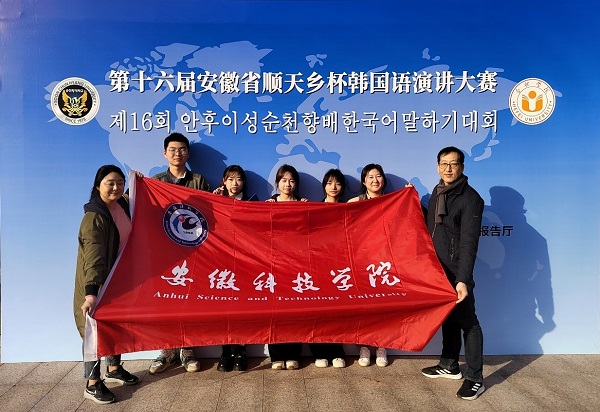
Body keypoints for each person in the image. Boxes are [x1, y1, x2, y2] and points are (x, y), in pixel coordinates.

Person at [420, 146, 485, 401]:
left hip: (457, 271)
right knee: (448, 317)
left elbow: (469, 242)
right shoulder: (438, 192)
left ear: (462, 167)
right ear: (438, 167)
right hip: (438, 270)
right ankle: (449, 364)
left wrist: (463, 280)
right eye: (444, 164)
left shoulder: (471, 199)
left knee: (469, 323)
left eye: (454, 164)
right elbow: (433, 226)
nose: (448, 168)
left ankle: (475, 378)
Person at [74, 165, 139, 404]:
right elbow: (94, 258)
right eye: (110, 183)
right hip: (96, 281)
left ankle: (114, 369)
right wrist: (91, 293)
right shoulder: (94, 218)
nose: (115, 188)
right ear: (98, 185)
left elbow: (134, 197)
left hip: (117, 279)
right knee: (93, 330)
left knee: (115, 325)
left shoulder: (120, 204)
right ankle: (92, 383)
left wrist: (137, 181)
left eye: (120, 183)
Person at [148, 132, 209, 375]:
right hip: (164, 253)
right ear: (165, 153)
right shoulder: (156, 181)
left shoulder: (199, 180)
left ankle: (188, 349)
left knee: (190, 300)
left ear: (188, 153)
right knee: (166, 300)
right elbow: (145, 211)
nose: (177, 154)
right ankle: (167, 350)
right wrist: (138, 184)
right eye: (173, 150)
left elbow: (209, 213)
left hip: (192, 251)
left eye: (182, 149)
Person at [347, 163, 389, 367]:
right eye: (370, 177)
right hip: (361, 261)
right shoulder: (354, 203)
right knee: (363, 306)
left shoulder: (392, 201)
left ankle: (381, 346)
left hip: (385, 261)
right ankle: (364, 346)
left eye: (378, 176)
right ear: (364, 182)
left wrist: (408, 195)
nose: (375, 180)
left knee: (382, 306)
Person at [266, 164, 306, 369]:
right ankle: (276, 356)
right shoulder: (269, 204)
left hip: (296, 264)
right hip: (273, 264)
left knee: (295, 311)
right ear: (277, 183)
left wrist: (307, 210)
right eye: (283, 180)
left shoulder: (302, 204)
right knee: (274, 311)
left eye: (291, 181)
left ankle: (293, 354)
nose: (287, 184)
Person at [213, 165, 252, 371]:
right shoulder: (216, 200)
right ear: (223, 181)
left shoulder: (252, 203)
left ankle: (241, 350)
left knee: (243, 309)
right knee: (223, 309)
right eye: (230, 179)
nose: (234, 183)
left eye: (238, 179)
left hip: (246, 262)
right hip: (222, 261)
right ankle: (225, 351)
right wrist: (214, 200)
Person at [310, 169, 347, 368]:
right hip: (318, 266)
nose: (334, 187)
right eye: (330, 183)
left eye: (338, 183)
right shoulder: (314, 209)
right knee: (318, 311)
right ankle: (319, 352)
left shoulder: (349, 209)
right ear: (324, 186)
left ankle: (337, 351)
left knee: (337, 311)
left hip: (341, 267)